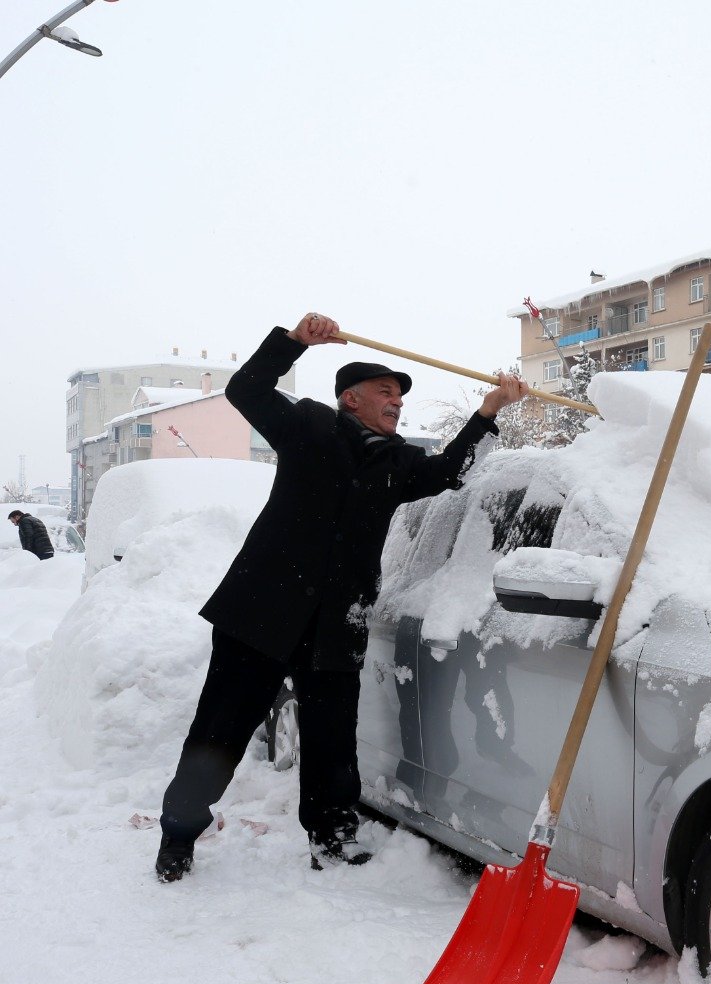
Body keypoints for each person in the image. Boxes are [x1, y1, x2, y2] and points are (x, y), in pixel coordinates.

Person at [154, 312, 527, 882]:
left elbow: (452, 472)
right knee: (219, 730)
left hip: (338, 621)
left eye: (400, 396)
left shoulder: (399, 463)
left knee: (332, 741)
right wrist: (295, 342)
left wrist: (488, 412)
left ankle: (332, 838)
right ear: (350, 399)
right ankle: (178, 835)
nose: (397, 403)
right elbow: (245, 389)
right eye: (385, 393)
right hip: (261, 611)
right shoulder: (307, 426)